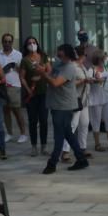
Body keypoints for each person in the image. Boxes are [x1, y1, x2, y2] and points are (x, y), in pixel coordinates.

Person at [40, 44, 88, 173]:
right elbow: (49, 76)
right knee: (68, 133)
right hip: (55, 104)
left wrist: (43, 74)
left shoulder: (69, 68)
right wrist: (42, 72)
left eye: (61, 54)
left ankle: (52, 163)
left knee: (59, 135)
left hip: (64, 106)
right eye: (58, 54)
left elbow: (55, 83)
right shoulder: (58, 65)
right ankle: (81, 159)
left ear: (67, 54)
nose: (58, 56)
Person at [19, 37, 49, 157]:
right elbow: (22, 77)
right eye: (29, 43)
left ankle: (44, 146)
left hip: (43, 93)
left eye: (34, 42)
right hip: (31, 95)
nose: (32, 45)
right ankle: (34, 147)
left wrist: (42, 72)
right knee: (32, 121)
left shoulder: (43, 56)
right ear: (26, 46)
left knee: (44, 120)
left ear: (37, 44)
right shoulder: (25, 60)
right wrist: (28, 89)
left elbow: (50, 71)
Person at [0, 33, 27, 144]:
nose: (7, 43)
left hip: (15, 86)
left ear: (12, 42)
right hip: (2, 87)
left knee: (17, 111)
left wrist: (16, 67)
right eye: (5, 41)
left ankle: (23, 133)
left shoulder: (18, 55)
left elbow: (23, 72)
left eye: (9, 41)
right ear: (2, 42)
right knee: (6, 111)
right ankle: (9, 133)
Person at [62, 48, 92, 161]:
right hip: (75, 100)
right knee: (73, 125)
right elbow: (68, 83)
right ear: (80, 55)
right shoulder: (73, 67)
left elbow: (85, 78)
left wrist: (91, 80)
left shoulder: (82, 66)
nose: (86, 56)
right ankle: (65, 151)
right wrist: (83, 81)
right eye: (85, 54)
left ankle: (82, 148)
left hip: (84, 100)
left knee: (84, 124)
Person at [88, 51, 108, 151]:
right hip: (95, 98)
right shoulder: (91, 69)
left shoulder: (105, 68)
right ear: (99, 59)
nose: (106, 60)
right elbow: (88, 81)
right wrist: (96, 80)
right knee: (96, 120)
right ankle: (97, 144)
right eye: (104, 58)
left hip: (106, 96)